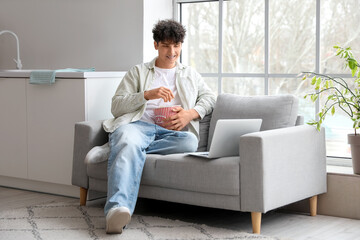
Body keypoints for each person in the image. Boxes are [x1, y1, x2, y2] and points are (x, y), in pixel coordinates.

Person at [102, 19, 216, 234]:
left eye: (176, 45)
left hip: (170, 134)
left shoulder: (190, 74)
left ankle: (119, 147)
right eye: (165, 45)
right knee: (128, 138)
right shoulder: (138, 71)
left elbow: (210, 97)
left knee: (190, 141)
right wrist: (147, 94)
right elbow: (116, 106)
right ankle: (116, 210)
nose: (171, 51)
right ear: (156, 45)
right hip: (137, 126)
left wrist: (190, 114)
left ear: (181, 45)